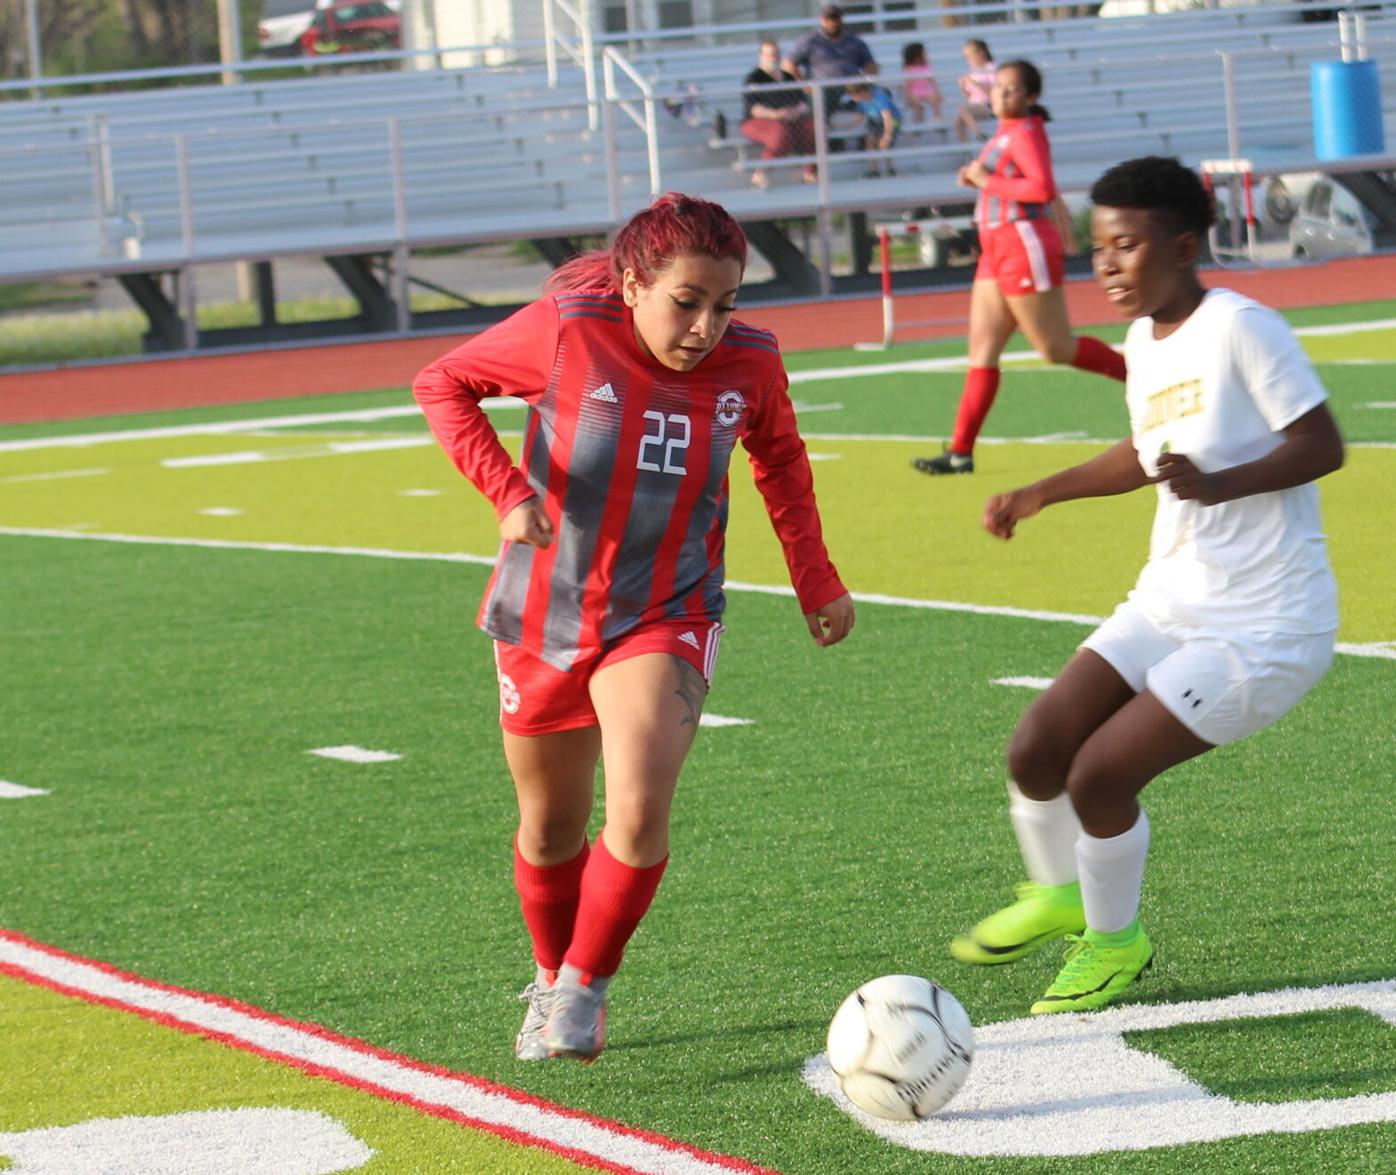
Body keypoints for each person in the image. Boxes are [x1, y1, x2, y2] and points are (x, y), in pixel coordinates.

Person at [412, 193, 856, 1063]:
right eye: (685, 302)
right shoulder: (571, 329)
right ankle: (552, 973)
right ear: (631, 285)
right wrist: (508, 492)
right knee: (549, 826)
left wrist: (815, 576)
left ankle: (585, 985)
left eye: (724, 305)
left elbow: (782, 462)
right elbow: (444, 382)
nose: (705, 328)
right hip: (547, 607)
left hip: (671, 608)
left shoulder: (751, 365)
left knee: (641, 804)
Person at [951, 155, 1344, 1015]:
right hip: (1172, 596)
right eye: (1097, 249)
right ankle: (1064, 894)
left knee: (1098, 777)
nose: (1106, 266)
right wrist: (1041, 491)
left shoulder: (1244, 327)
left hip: (1267, 624)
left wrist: (1222, 483)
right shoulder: (1139, 341)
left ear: (1183, 244)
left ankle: (1116, 942)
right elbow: (1142, 451)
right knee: (1036, 748)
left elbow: (1322, 444)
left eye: (1125, 247)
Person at [914, 60, 1127, 476]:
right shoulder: (1006, 132)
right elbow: (1000, 179)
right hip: (997, 248)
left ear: (1030, 97)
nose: (1001, 96)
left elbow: (1041, 188)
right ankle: (960, 452)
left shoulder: (1026, 130)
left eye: (1012, 90)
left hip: (1022, 242)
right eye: (998, 89)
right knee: (982, 352)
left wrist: (984, 180)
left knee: (1056, 348)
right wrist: (977, 178)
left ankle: (1145, 379)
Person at [782, 5, 877, 145]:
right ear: (822, 20)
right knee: (822, 100)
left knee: (883, 95)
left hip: (852, 88)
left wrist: (865, 83)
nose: (832, 23)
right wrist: (802, 83)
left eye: (835, 18)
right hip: (823, 89)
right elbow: (788, 64)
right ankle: (829, 143)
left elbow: (870, 65)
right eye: (829, 19)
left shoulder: (855, 41)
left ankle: (870, 142)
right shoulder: (810, 40)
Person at [739, 40, 817, 188]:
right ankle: (761, 173)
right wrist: (776, 114)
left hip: (791, 119)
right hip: (760, 121)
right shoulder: (754, 78)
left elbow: (803, 102)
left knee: (814, 128)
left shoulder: (788, 77)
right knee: (781, 133)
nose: (772, 58)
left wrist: (796, 112)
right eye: (768, 55)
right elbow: (754, 109)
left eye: (775, 54)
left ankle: (811, 172)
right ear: (761, 56)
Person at [847, 79, 902, 178]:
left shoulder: (879, 97)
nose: (852, 97)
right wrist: (843, 127)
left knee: (884, 144)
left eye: (853, 94)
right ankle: (874, 170)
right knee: (870, 141)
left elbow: (887, 117)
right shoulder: (861, 101)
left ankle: (890, 168)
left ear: (862, 92)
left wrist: (887, 136)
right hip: (875, 120)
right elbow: (859, 117)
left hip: (892, 120)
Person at [954, 38, 995, 144]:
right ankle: (965, 148)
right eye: (965, 57)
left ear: (981, 53)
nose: (968, 60)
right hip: (976, 105)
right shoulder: (974, 72)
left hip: (988, 105)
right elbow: (969, 97)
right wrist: (963, 86)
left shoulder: (991, 68)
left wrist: (974, 82)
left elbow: (993, 93)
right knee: (958, 122)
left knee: (963, 110)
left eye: (969, 56)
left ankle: (979, 133)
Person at [901, 41, 944, 123]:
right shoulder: (909, 68)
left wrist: (938, 93)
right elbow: (907, 84)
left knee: (934, 99)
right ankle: (918, 121)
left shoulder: (926, 67)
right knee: (918, 104)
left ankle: (938, 119)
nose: (926, 55)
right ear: (917, 55)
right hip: (915, 92)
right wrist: (907, 97)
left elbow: (933, 81)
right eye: (924, 53)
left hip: (926, 91)